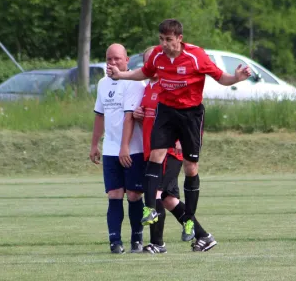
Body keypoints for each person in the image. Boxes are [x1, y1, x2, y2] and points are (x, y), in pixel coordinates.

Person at [106, 19, 251, 251]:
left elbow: (221, 78)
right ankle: (150, 209)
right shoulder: (156, 56)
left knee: (191, 168)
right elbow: (143, 72)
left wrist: (236, 78)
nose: (164, 44)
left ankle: (191, 222)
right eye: (161, 40)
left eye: (169, 40)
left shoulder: (196, 56)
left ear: (179, 39)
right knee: (155, 155)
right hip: (167, 111)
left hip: (191, 115)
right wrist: (120, 75)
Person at [133, 46, 216, 253]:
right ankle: (203, 236)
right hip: (154, 152)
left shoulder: (170, 86)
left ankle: (157, 243)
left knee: (158, 193)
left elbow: (188, 117)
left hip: (171, 153)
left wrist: (181, 141)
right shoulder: (148, 89)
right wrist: (138, 115)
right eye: (147, 62)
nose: (151, 66)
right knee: (169, 199)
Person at [90, 43, 145, 254]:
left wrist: (125, 148)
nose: (112, 63)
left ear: (127, 60)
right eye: (109, 59)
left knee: (133, 195)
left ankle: (136, 239)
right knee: (114, 194)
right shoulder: (102, 84)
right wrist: (95, 144)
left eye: (117, 59)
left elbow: (129, 116)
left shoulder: (133, 83)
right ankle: (115, 241)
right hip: (110, 150)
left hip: (132, 149)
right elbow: (99, 115)